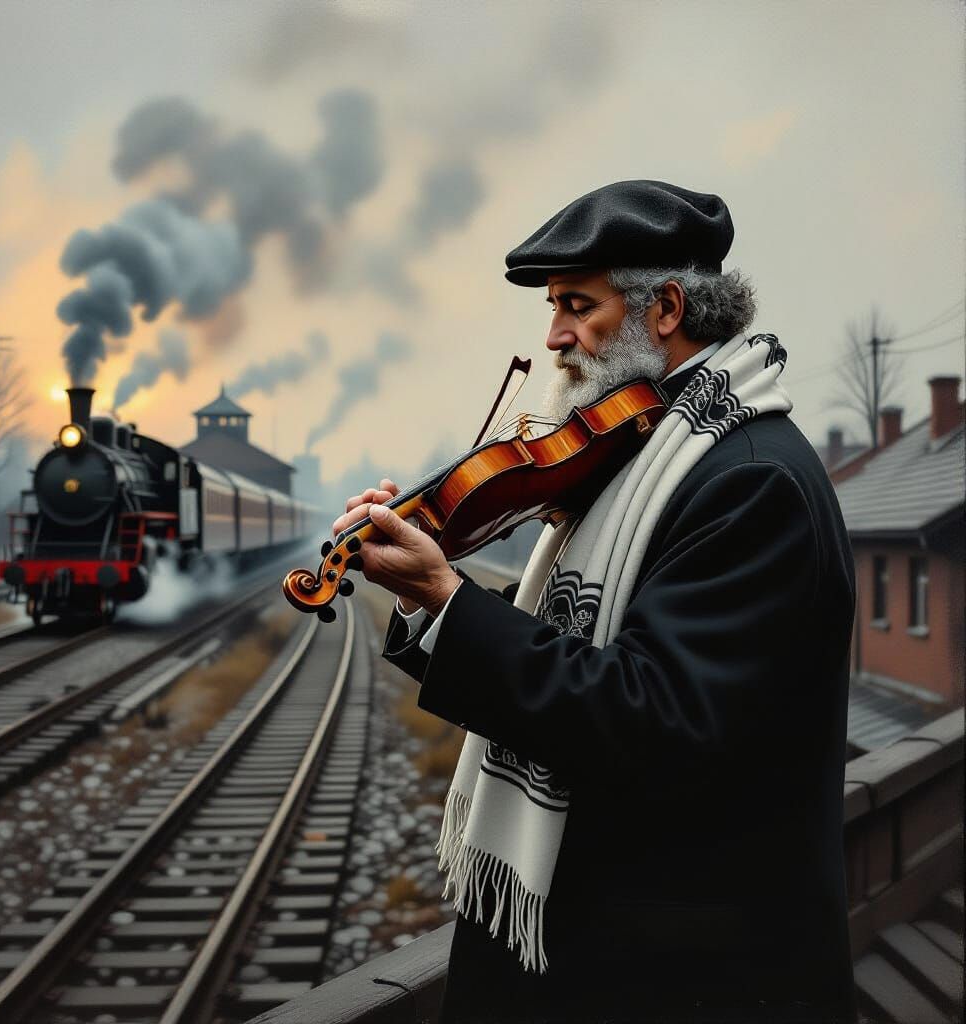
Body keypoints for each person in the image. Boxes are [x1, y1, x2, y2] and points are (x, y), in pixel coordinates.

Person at [331, 180, 858, 1023]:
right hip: (639, 958)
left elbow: (651, 712)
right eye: (553, 308)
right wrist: (434, 598)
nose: (554, 336)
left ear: (666, 309)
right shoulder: (660, 449)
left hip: (691, 982)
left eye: (578, 305)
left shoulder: (749, 481)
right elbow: (589, 641)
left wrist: (448, 594)